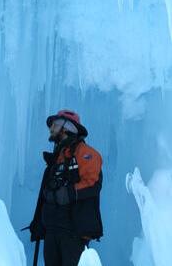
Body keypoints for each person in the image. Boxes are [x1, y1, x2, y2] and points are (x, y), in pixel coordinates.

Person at [29, 109, 103, 266]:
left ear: (66, 127)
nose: (51, 128)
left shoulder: (86, 153)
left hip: (72, 232)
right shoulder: (57, 158)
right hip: (52, 230)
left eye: (55, 125)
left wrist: (68, 193)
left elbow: (93, 183)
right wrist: (38, 223)